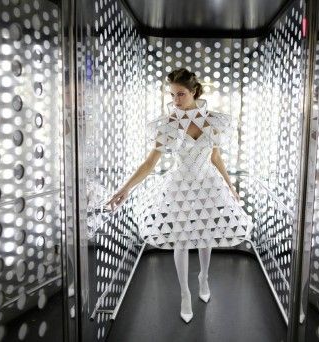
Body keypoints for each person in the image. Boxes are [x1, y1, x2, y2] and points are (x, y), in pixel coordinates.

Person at [105, 68, 254, 323]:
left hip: (208, 183)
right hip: (180, 184)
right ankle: (185, 293)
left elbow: (216, 157)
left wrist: (230, 186)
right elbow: (150, 163)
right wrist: (124, 189)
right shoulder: (168, 125)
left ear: (194, 91)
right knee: (181, 239)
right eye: (172, 95)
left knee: (206, 232)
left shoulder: (214, 121)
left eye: (180, 94)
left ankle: (204, 278)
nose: (175, 100)